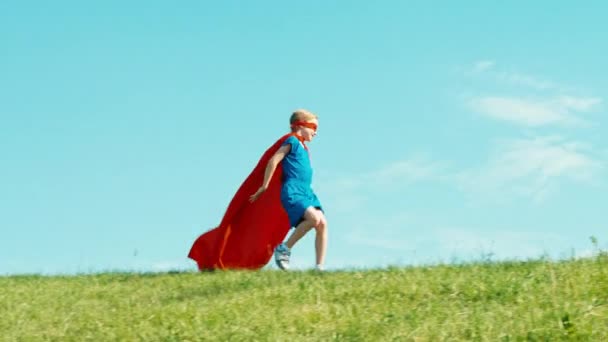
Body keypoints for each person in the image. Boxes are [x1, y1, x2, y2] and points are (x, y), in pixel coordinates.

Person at [249, 109, 328, 271]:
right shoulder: (291, 141)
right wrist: (264, 185)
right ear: (300, 125)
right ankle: (284, 248)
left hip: (307, 192)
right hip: (293, 191)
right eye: (313, 127)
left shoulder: (304, 148)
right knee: (313, 219)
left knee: (322, 224)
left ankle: (319, 267)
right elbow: (273, 160)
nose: (315, 132)